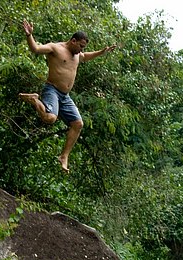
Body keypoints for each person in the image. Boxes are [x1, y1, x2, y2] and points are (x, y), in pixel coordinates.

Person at [19, 19, 117, 173]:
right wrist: (29, 35)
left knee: (78, 124)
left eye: (83, 48)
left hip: (65, 96)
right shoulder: (55, 48)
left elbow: (87, 56)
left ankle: (64, 156)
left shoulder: (77, 55)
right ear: (73, 41)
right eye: (80, 46)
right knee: (50, 118)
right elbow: (35, 49)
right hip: (52, 90)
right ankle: (34, 99)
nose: (81, 50)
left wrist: (102, 52)